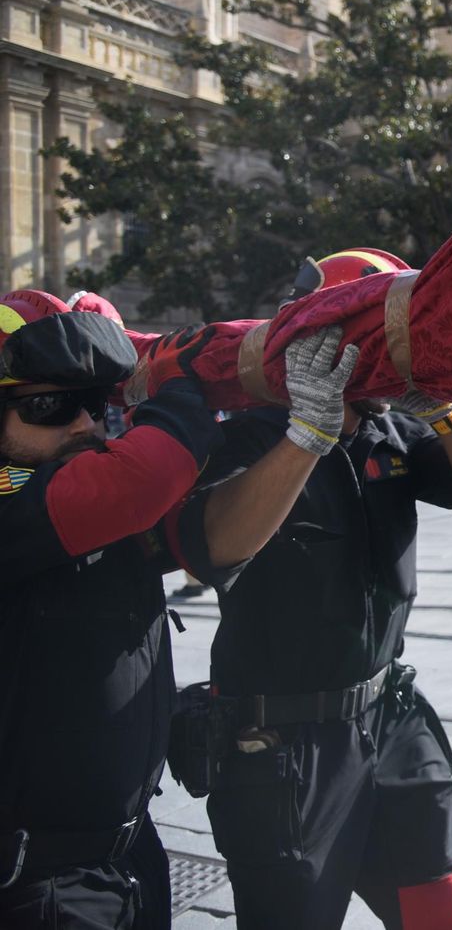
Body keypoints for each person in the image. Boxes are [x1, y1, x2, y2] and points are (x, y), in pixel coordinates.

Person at [171, 249, 452, 930]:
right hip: (284, 744)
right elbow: (215, 546)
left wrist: (445, 408)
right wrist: (307, 434)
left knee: (438, 913)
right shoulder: (252, 437)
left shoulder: (395, 432)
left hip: (390, 719)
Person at [0, 289, 222, 930]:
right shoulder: (19, 507)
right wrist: (183, 379)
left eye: (97, 402)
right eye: (49, 405)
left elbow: (211, 538)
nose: (84, 425)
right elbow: (154, 472)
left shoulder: (91, 500)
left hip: (127, 859)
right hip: (38, 887)